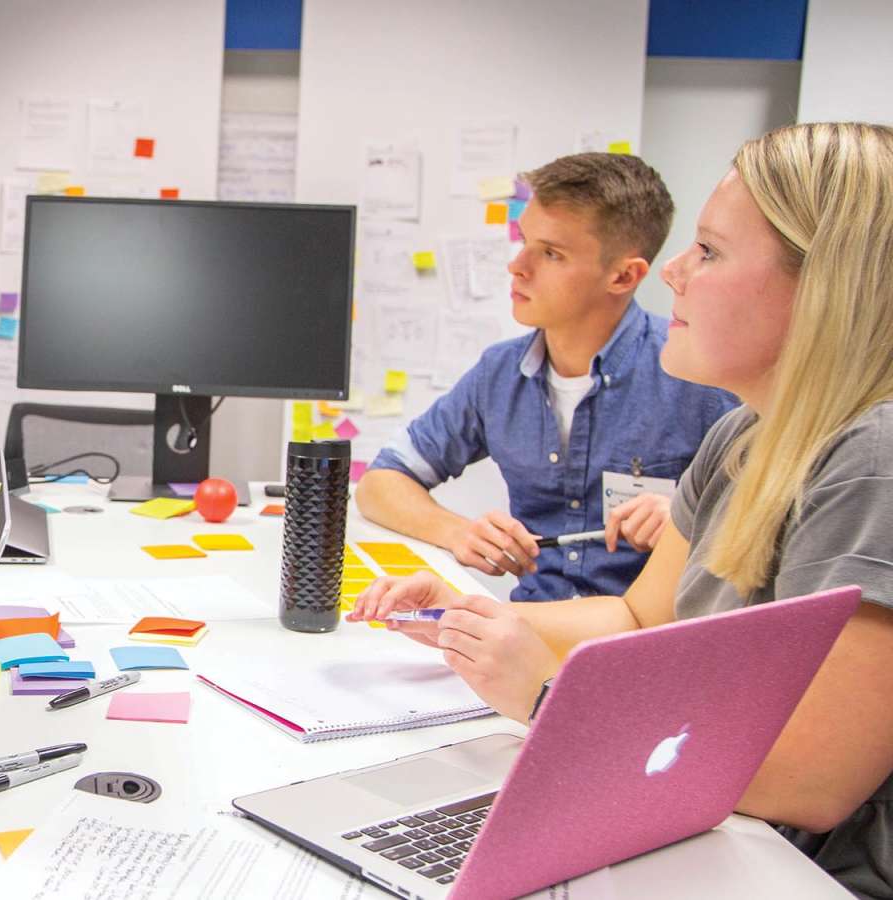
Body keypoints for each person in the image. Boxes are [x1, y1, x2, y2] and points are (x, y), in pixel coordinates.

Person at [351, 122, 893, 899]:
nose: (674, 271)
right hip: (717, 824)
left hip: (805, 870)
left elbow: (811, 782)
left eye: (708, 251)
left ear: (828, 285)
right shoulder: (744, 434)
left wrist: (548, 700)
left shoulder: (874, 460)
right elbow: (641, 620)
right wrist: (471, 617)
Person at [356, 153, 736, 600]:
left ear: (623, 276)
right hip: (529, 632)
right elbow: (380, 483)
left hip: (643, 643)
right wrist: (458, 532)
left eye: (552, 253)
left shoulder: (698, 376)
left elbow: (769, 518)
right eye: (524, 241)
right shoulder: (499, 374)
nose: (517, 267)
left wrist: (686, 517)